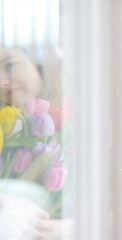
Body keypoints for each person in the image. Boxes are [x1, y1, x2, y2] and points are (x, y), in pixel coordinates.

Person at [0, 46, 73, 240]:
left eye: (9, 65)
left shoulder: (76, 130)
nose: (2, 81)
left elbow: (116, 213)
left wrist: (50, 229)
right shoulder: (4, 131)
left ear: (38, 62)